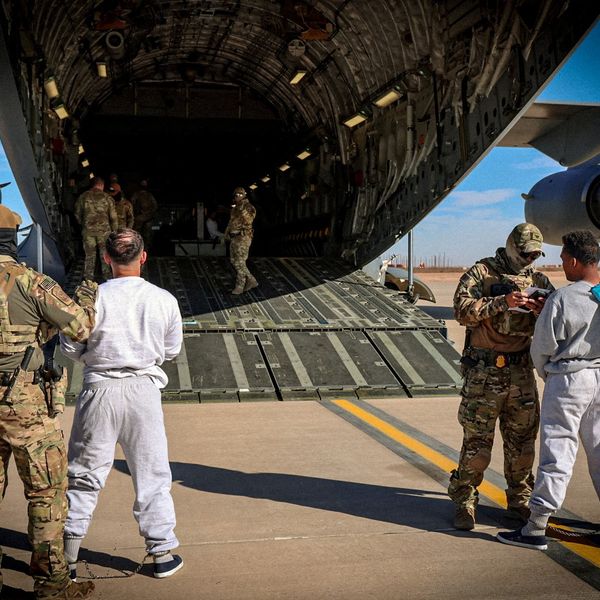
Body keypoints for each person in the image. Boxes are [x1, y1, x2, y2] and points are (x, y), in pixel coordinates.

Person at [60, 228, 184, 580]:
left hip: (99, 390)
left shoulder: (92, 299)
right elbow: (172, 350)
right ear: (143, 257)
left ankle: (67, 558)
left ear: (106, 259)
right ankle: (161, 554)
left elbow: (70, 347)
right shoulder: (163, 300)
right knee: (152, 475)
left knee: (84, 476)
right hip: (144, 392)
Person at [0, 205, 96, 599]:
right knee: (46, 492)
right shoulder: (30, 282)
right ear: (12, 239)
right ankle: (52, 584)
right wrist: (88, 295)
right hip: (24, 405)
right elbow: (81, 327)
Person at [497, 230, 600, 550]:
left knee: (558, 452)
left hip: (569, 380)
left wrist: (550, 376)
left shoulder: (563, 298)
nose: (562, 264)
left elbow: (542, 348)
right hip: (599, 378)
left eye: (563, 259)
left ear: (574, 261)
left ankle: (536, 527)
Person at [449, 223, 554, 530]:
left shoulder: (539, 280)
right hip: (484, 373)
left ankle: (519, 502)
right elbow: (461, 310)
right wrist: (502, 303)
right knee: (477, 445)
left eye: (535, 255)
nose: (529, 259)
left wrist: (541, 310)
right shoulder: (482, 272)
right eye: (525, 253)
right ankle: (465, 501)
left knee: (522, 445)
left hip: (520, 373)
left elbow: (556, 320)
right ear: (511, 247)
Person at [74, 176, 117, 281]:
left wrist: (83, 224)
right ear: (102, 185)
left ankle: (88, 281)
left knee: (89, 256)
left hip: (88, 231)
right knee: (105, 256)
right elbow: (113, 217)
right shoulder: (107, 197)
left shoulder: (83, 196)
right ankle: (107, 279)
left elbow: (77, 214)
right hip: (104, 232)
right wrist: (114, 232)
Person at [224, 187, 258, 294]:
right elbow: (230, 222)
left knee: (240, 262)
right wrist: (226, 234)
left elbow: (249, 220)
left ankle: (240, 286)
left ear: (244, 195)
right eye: (236, 195)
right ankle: (251, 280)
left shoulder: (249, 207)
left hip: (243, 237)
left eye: (240, 194)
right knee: (234, 261)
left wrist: (242, 208)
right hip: (234, 237)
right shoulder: (234, 209)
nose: (237, 196)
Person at [131, 179, 158, 248]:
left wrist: (149, 214)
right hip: (140, 218)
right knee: (139, 236)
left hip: (145, 218)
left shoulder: (148, 195)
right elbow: (132, 204)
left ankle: (144, 249)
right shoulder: (137, 194)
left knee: (146, 237)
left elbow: (155, 206)